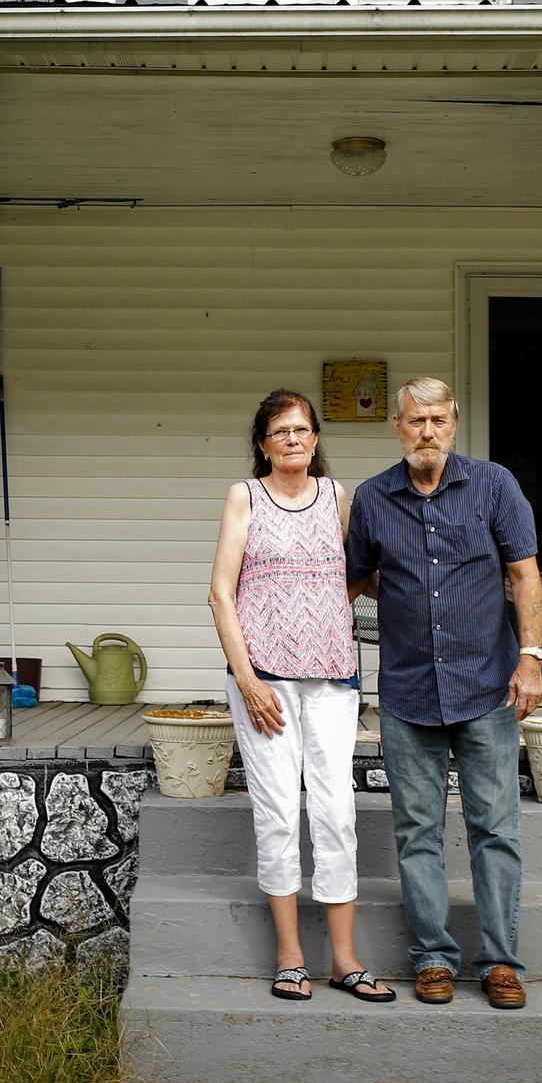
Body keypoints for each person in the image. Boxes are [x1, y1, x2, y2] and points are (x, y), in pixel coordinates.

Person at [345, 377, 542, 1009]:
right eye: (414, 421)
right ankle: (432, 956)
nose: (426, 431)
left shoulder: (494, 485)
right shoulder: (374, 498)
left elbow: (523, 574)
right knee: (416, 831)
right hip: (407, 689)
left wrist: (531, 659)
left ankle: (501, 962)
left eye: (437, 419)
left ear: (453, 422)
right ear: (397, 427)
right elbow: (352, 581)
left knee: (496, 828)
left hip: (486, 682)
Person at [208, 388, 395, 1005]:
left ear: (316, 439)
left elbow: (360, 577)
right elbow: (221, 594)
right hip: (264, 684)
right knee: (279, 810)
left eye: (303, 430)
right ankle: (291, 957)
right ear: (262, 442)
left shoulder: (338, 498)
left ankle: (344, 959)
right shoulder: (245, 497)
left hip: (332, 679)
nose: (294, 439)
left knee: (337, 810)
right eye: (281, 431)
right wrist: (247, 677)